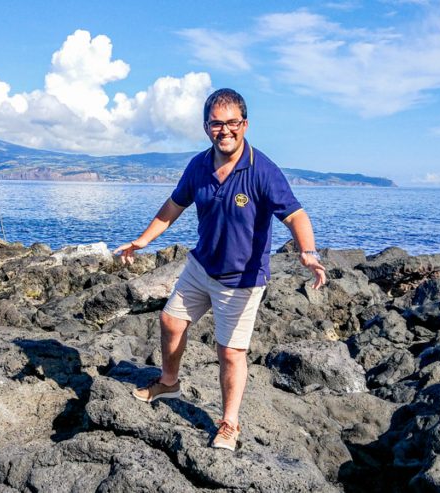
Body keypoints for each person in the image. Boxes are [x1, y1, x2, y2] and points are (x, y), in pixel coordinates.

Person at [113, 88, 327, 451]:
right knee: (170, 321)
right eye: (216, 123)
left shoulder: (262, 170)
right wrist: (142, 240)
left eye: (232, 123)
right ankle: (169, 382)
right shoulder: (198, 165)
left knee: (230, 352)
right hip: (202, 265)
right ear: (206, 126)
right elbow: (175, 204)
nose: (224, 130)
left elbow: (296, 214)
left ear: (244, 124)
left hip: (241, 279)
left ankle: (230, 423)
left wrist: (307, 251)